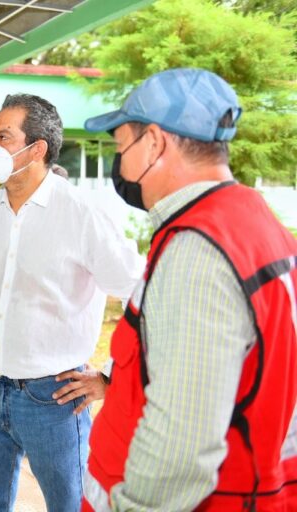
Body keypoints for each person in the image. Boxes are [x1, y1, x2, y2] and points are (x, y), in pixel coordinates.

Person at [79, 68, 297, 511]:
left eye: (122, 146)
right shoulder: (253, 223)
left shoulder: (197, 251)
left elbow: (180, 446)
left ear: (155, 143)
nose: (119, 165)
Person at [0, 94, 143, 512]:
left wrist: (111, 377)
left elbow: (140, 292)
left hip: (52, 400)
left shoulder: (80, 213)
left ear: (36, 149)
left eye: (3, 136)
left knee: (71, 505)